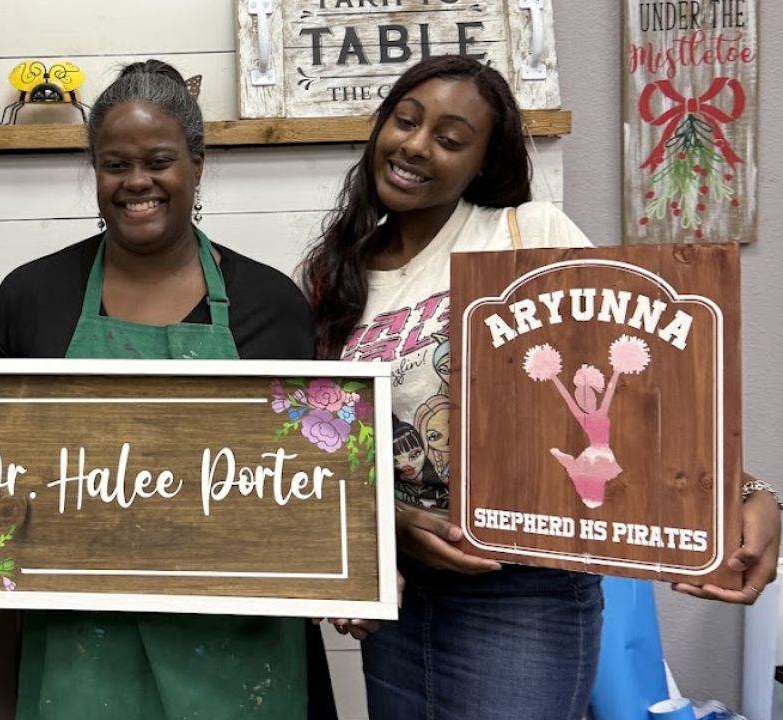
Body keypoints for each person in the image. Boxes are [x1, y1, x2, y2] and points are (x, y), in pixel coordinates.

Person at [299, 54, 781, 718]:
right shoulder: (336, 271)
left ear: (483, 163)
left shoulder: (528, 236)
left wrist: (747, 493)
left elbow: (633, 392)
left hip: (523, 593)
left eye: (449, 138)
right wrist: (367, 545)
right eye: (405, 121)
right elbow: (325, 438)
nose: (414, 145)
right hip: (401, 593)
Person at [0, 59, 334, 719]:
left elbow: (320, 485)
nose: (137, 182)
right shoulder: (32, 299)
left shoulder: (271, 304)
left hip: (239, 658)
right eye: (115, 165)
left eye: (159, 161)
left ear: (196, 164)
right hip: (81, 656)